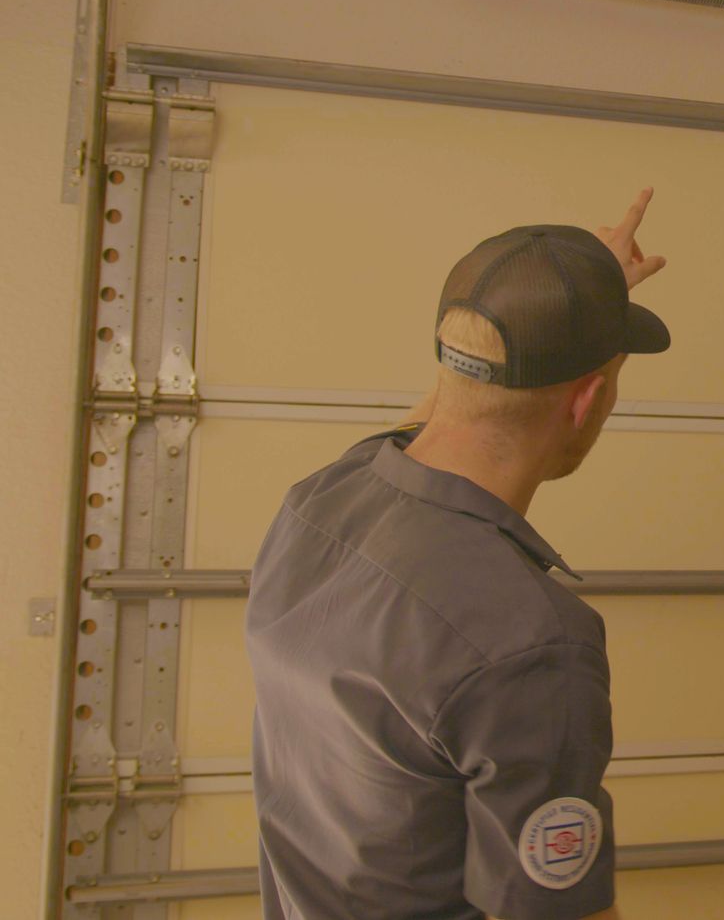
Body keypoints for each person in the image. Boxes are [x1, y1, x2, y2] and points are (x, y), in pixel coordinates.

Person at [245, 191, 669, 920]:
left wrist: (566, 295)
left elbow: (442, 409)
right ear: (586, 398)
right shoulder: (531, 645)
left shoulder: (319, 501)